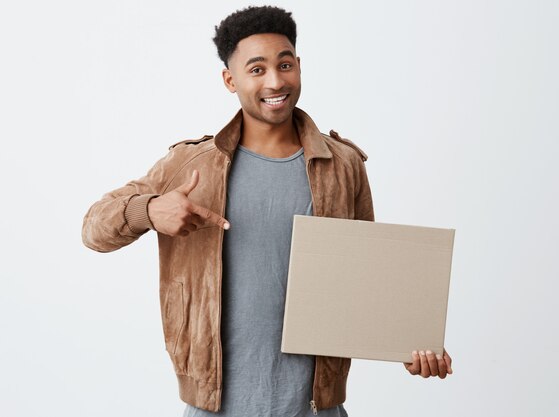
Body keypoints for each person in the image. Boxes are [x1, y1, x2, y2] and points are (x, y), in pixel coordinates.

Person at [82, 5, 452, 417]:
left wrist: (405, 342)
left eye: (285, 64)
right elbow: (93, 229)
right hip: (214, 408)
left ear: (298, 67)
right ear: (230, 79)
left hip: (315, 409)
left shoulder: (344, 165)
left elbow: (367, 286)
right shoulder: (191, 165)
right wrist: (149, 211)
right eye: (256, 69)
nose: (275, 81)